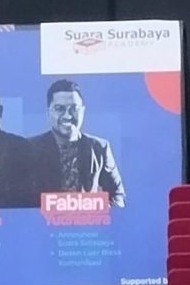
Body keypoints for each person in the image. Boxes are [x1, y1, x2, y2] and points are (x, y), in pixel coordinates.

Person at [30, 79, 125, 207]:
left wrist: (97, 211)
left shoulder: (99, 148)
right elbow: (16, 199)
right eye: (59, 109)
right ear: (48, 113)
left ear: (83, 111)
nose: (68, 116)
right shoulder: (28, 149)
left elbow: (118, 195)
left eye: (74, 108)